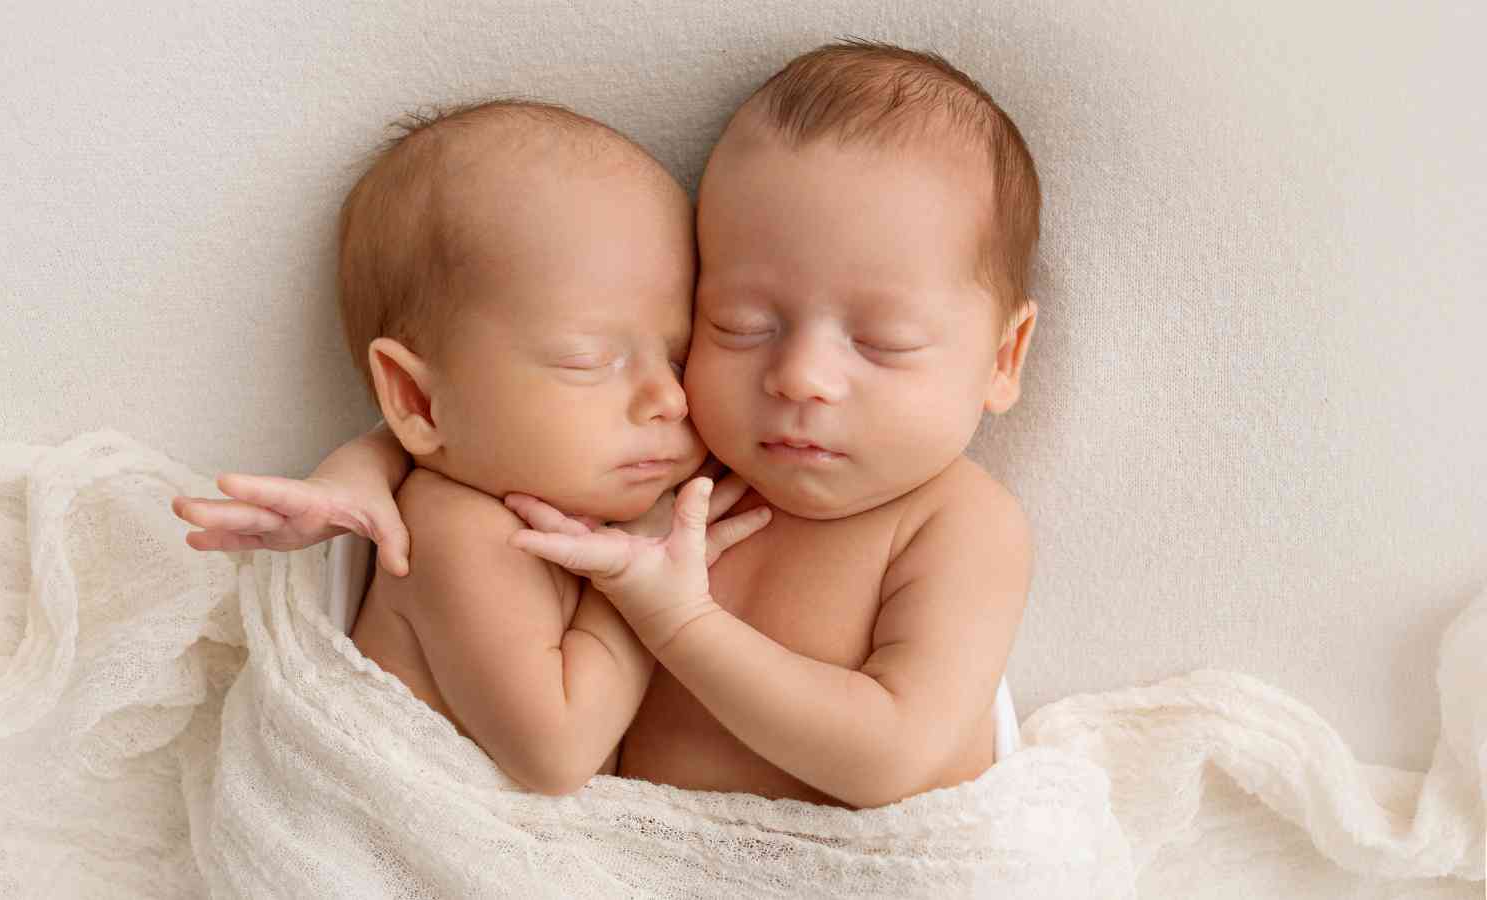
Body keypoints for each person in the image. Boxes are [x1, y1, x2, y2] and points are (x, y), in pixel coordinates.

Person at [179, 39, 1039, 809]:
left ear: (1004, 358)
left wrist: (677, 618)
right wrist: (352, 476)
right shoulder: (687, 460)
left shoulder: (958, 524)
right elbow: (468, 443)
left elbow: (887, 757)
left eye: (884, 341)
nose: (800, 378)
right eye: (739, 325)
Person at [173, 99, 768, 796]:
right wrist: (642, 579)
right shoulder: (461, 533)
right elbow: (558, 754)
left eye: (677, 355)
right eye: (586, 360)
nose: (667, 399)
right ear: (421, 402)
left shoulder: (569, 473)